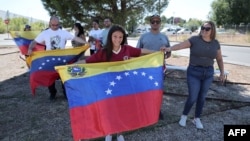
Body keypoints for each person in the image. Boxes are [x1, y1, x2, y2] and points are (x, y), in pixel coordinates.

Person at [79, 25, 157, 141]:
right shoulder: (103, 52)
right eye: (115, 36)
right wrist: (72, 66)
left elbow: (141, 51)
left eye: (120, 37)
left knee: (121, 110)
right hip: (108, 87)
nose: (118, 39)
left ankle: (120, 133)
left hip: (123, 86)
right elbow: (88, 61)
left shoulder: (126, 49)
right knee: (108, 110)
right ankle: (109, 132)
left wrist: (156, 52)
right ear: (110, 36)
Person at [161, 21, 225, 129]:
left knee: (202, 97)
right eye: (202, 27)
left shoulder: (215, 43)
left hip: (208, 72)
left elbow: (219, 59)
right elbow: (181, 45)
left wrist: (222, 73)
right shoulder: (195, 40)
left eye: (207, 28)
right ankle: (184, 115)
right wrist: (169, 48)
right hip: (194, 71)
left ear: (212, 30)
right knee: (193, 96)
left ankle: (197, 118)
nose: (204, 30)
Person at [27, 16, 86, 101]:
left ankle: (66, 93)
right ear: (50, 23)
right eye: (53, 25)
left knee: (63, 77)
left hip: (61, 59)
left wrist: (85, 42)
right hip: (49, 60)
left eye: (57, 25)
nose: (55, 27)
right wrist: (30, 48)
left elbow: (75, 38)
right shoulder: (45, 33)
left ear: (59, 24)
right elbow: (34, 42)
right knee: (50, 77)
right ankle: (52, 94)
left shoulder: (63, 33)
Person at [136, 14, 171, 120]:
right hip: (145, 68)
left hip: (159, 69)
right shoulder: (143, 37)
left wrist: (165, 54)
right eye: (153, 21)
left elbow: (169, 53)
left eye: (157, 21)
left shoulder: (164, 37)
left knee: (157, 90)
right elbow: (137, 51)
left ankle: (157, 110)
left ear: (160, 23)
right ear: (150, 23)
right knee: (145, 90)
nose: (155, 23)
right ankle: (144, 110)